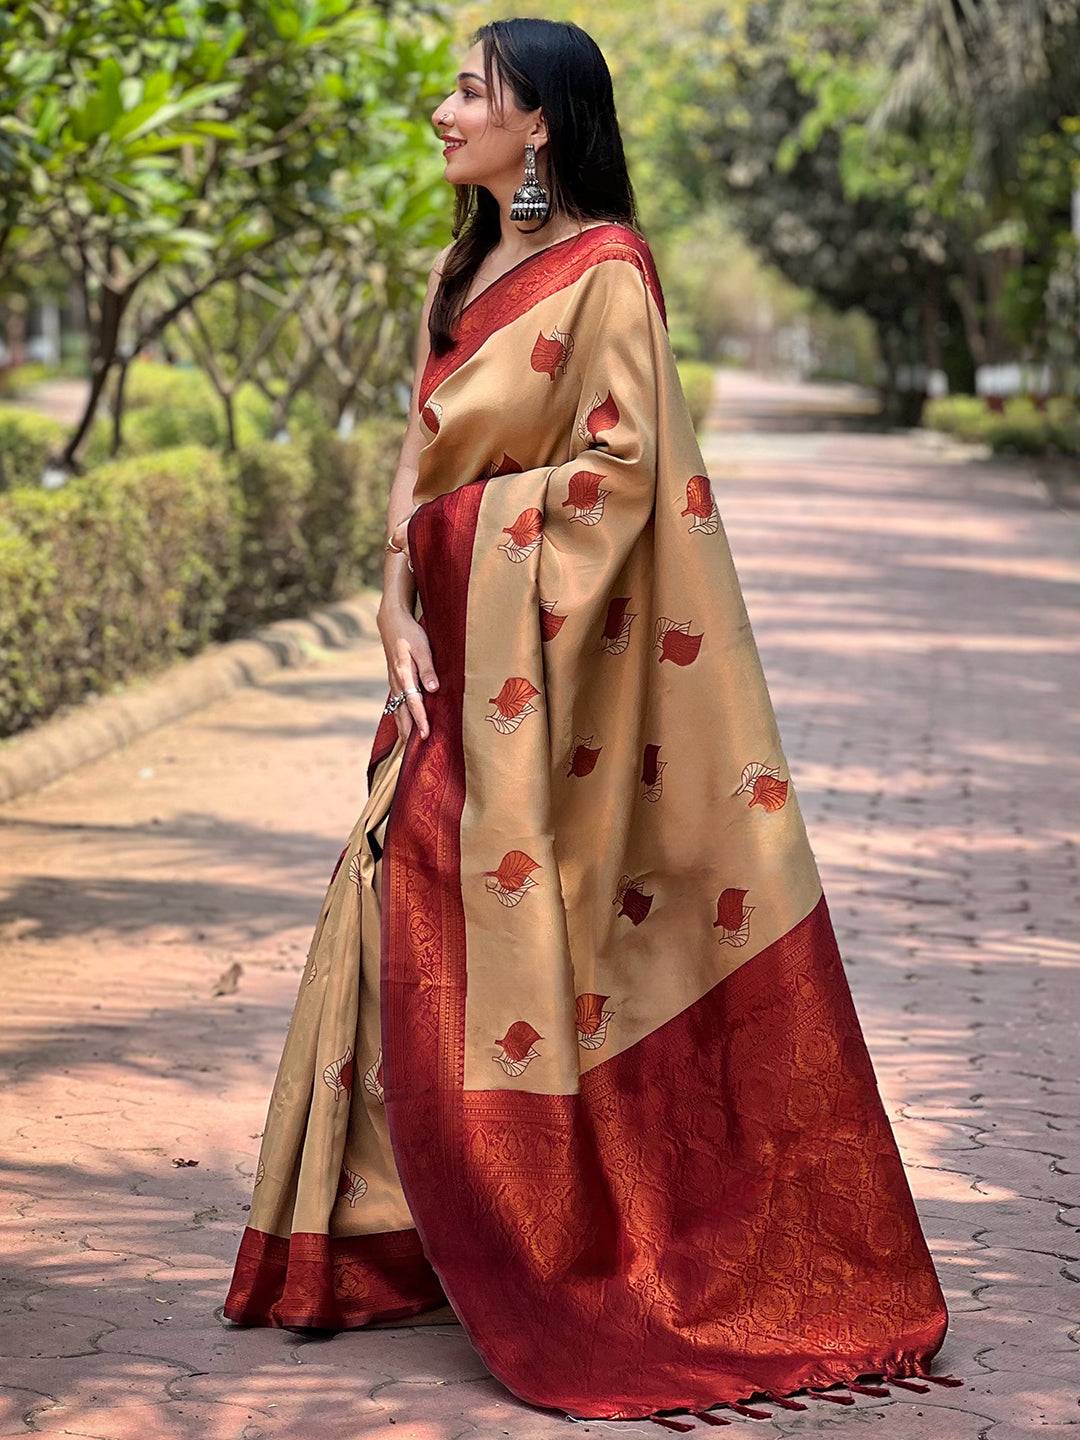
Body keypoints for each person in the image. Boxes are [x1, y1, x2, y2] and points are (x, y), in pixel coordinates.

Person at [223, 17, 961, 1427]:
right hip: (447, 654)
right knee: (401, 910)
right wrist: (394, 593)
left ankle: (556, 1242)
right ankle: (387, 1234)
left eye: (469, 92)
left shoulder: (607, 271)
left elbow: (625, 481)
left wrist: (456, 549)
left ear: (542, 124)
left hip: (549, 686)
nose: (443, 113)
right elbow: (421, 445)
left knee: (484, 926)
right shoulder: (463, 264)